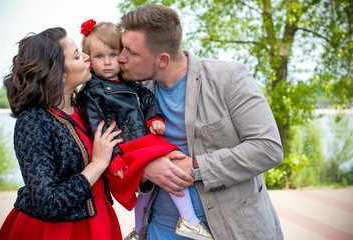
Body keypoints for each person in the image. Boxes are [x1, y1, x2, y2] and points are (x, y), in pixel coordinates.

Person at [117, 4, 284, 240]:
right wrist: (145, 169)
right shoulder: (133, 93)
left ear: (162, 60)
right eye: (122, 47)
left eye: (131, 52)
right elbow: (117, 154)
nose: (121, 58)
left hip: (231, 231)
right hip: (159, 230)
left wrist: (193, 167)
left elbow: (268, 148)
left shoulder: (229, 78)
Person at [76, 19, 213, 240]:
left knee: (149, 191)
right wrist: (115, 157)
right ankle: (189, 220)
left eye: (113, 54)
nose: (108, 62)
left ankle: (139, 229)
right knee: (172, 167)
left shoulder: (129, 82)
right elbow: (97, 129)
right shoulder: (90, 93)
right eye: (99, 56)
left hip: (144, 139)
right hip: (126, 147)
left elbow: (147, 98)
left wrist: (154, 118)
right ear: (89, 59)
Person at [0, 27, 123, 240]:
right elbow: (49, 202)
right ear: (57, 72)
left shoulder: (85, 108)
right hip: (57, 232)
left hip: (99, 221)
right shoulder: (34, 121)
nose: (86, 57)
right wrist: (97, 164)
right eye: (76, 56)